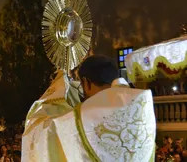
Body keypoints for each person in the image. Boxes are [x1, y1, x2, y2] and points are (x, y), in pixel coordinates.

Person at [22, 55, 156, 161]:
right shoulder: (140, 105)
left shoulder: (88, 115)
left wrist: (58, 86)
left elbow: (41, 131)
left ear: (86, 82)